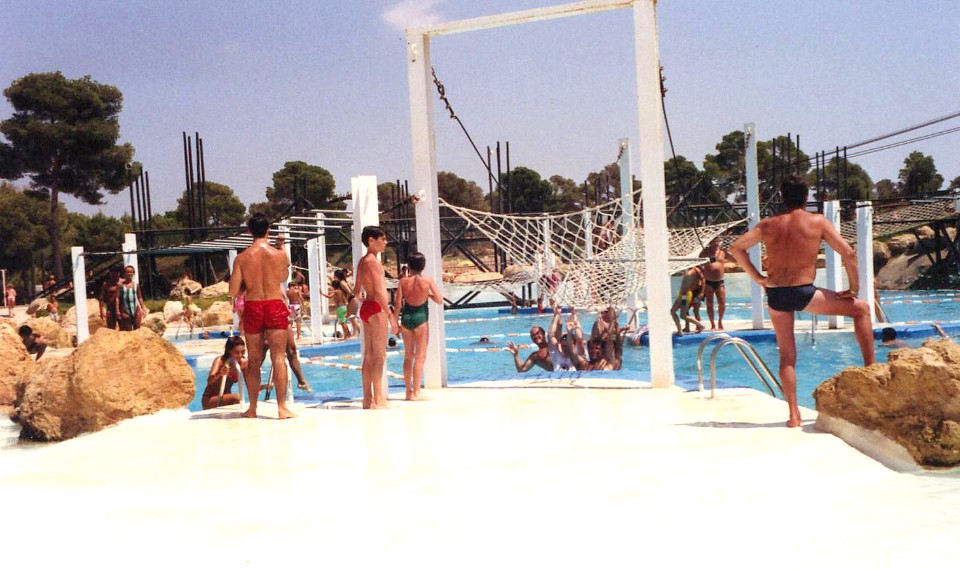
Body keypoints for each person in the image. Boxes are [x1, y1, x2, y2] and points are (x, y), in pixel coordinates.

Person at [729, 174, 875, 428]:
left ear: (782, 198)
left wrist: (759, 278)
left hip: (776, 294)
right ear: (806, 197)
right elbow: (849, 254)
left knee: (787, 357)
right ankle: (872, 369)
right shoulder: (817, 221)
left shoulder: (767, 225)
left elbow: (736, 249)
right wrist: (853, 288)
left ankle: (794, 414)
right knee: (861, 309)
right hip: (803, 292)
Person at [229, 213, 296, 420]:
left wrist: (245, 286)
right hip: (274, 304)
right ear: (268, 230)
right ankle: (282, 408)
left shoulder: (242, 258)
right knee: (279, 357)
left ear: (249, 231)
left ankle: (252, 408)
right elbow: (283, 277)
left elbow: (233, 291)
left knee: (254, 359)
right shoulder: (279, 255)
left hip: (254, 305)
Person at [393, 251, 443, 401]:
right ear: (423, 265)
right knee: (420, 357)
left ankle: (408, 392)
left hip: (406, 318)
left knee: (408, 356)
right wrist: (427, 295)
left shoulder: (403, 282)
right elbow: (439, 300)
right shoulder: (428, 281)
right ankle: (416, 391)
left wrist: (395, 323)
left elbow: (397, 304)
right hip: (421, 318)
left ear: (409, 266)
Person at [354, 225, 392, 409]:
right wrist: (390, 314)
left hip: (366, 308)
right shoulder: (374, 262)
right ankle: (379, 399)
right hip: (377, 308)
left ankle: (367, 399)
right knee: (379, 355)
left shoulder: (362, 262)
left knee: (368, 355)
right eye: (382, 239)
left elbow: (356, 290)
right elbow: (378, 291)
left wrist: (362, 298)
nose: (385, 242)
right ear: (371, 240)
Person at [201, 336, 248, 410]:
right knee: (237, 398)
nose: (240, 355)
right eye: (237, 352)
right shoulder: (220, 361)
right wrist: (220, 373)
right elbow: (209, 381)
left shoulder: (243, 363)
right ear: (229, 351)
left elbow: (249, 383)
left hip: (226, 397)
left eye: (243, 352)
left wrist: (258, 388)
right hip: (210, 399)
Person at [701, 238, 727, 330]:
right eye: (714, 241)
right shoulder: (705, 252)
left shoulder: (723, 252)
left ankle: (720, 321)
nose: (716, 243)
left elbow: (735, 259)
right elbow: (698, 261)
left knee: (722, 303)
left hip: (720, 281)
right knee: (709, 303)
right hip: (708, 282)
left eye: (718, 241)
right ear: (710, 242)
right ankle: (712, 324)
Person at [670, 266, 705, 335]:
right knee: (672, 311)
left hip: (685, 295)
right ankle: (680, 330)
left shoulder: (691, 272)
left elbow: (701, 279)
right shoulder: (690, 272)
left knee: (683, 315)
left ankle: (700, 326)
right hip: (682, 294)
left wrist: (701, 292)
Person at [118, 265, 146, 331]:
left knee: (137, 330)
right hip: (125, 311)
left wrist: (143, 307)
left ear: (133, 273)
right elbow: (117, 298)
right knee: (129, 331)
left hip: (136, 310)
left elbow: (139, 297)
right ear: (124, 273)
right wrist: (118, 311)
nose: (129, 274)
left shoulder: (136, 285)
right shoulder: (120, 286)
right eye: (127, 272)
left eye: (131, 272)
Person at [286, 275, 305, 340]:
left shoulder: (287, 292)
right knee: (298, 321)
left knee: (290, 322)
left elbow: (285, 298)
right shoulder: (297, 291)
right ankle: (298, 336)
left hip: (291, 306)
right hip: (296, 305)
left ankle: (289, 336)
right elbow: (301, 299)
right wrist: (303, 306)